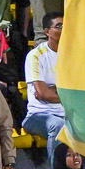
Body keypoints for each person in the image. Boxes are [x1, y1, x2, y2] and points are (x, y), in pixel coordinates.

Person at [22, 14, 66, 147]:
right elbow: (42, 94)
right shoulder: (36, 55)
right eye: (59, 26)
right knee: (58, 126)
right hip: (39, 115)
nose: (64, 30)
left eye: (66, 26)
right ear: (47, 32)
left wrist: (52, 90)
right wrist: (67, 94)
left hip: (68, 114)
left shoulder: (74, 55)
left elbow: (81, 90)